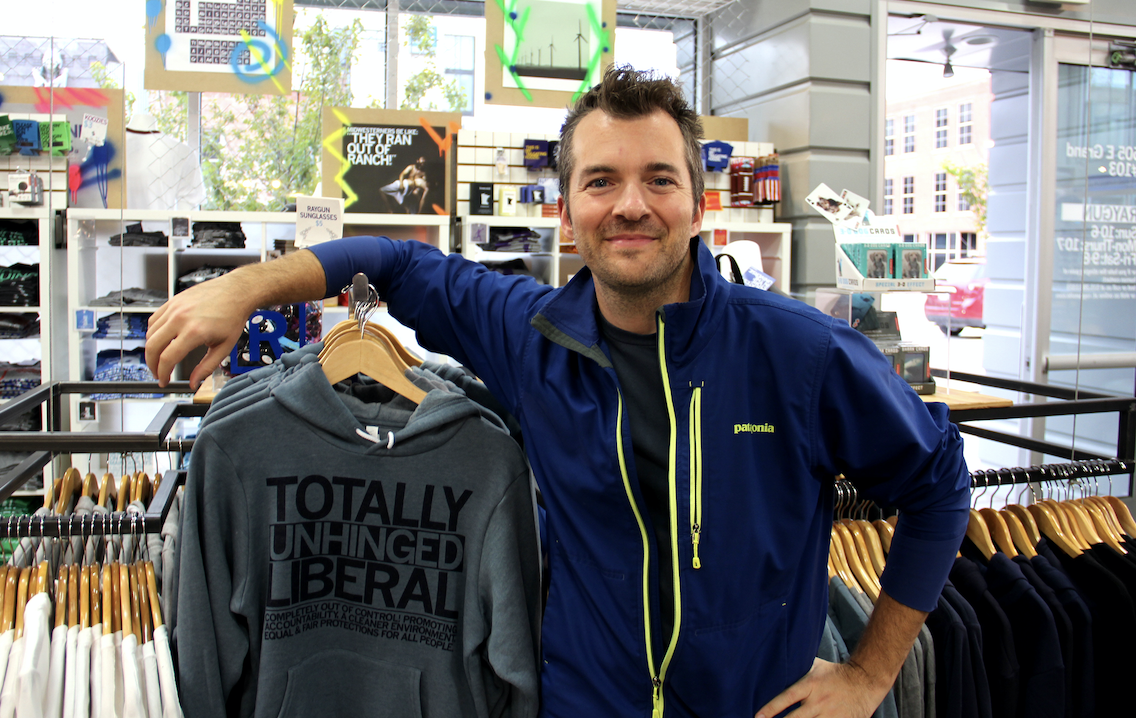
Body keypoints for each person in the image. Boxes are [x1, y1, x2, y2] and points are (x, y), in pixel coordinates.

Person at [147, 66, 969, 718]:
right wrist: (245, 288)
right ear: (567, 209)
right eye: (602, 181)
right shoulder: (528, 334)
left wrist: (869, 672)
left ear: (698, 202)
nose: (632, 206)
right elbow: (392, 264)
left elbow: (939, 481)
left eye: (659, 179)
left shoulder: (798, 350)